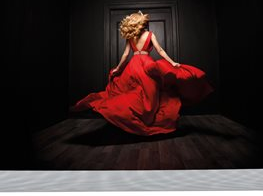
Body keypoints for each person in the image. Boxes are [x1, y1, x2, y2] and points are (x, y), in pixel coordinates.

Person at [70, 11, 213, 136]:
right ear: (143, 22)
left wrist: (118, 68)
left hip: (133, 66)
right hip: (146, 64)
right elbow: (160, 50)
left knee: (133, 92)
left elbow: (125, 55)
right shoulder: (150, 34)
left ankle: (131, 118)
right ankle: (146, 119)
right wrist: (172, 62)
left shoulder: (130, 36)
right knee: (149, 94)